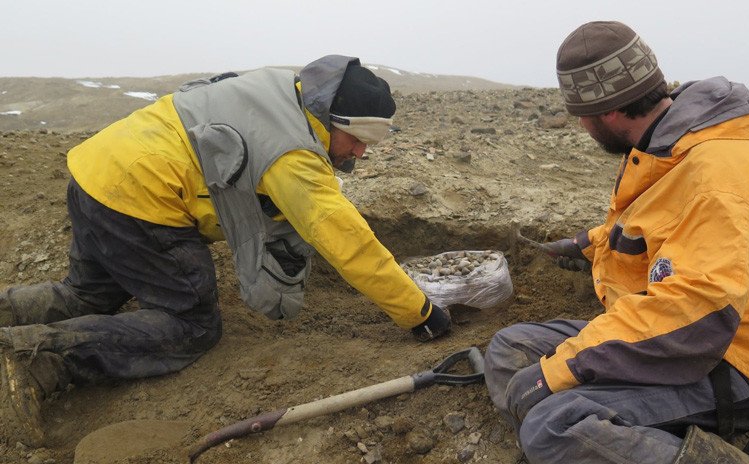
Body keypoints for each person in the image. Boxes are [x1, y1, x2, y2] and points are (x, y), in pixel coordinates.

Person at [0, 55, 452, 447]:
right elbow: (350, 244)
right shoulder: (292, 154)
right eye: (357, 139)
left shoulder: (284, 88)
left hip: (97, 171)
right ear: (332, 119)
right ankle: (36, 359)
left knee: (88, 295)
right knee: (191, 325)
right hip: (141, 200)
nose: (361, 152)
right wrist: (421, 312)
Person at [484, 21, 749, 464]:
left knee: (554, 424)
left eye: (580, 116)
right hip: (684, 326)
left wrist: (560, 371)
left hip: (743, 355)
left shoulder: (717, 171)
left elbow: (699, 311)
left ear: (604, 111)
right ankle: (597, 432)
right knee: (510, 348)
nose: (583, 128)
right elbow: (665, 226)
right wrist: (590, 244)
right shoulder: (671, 144)